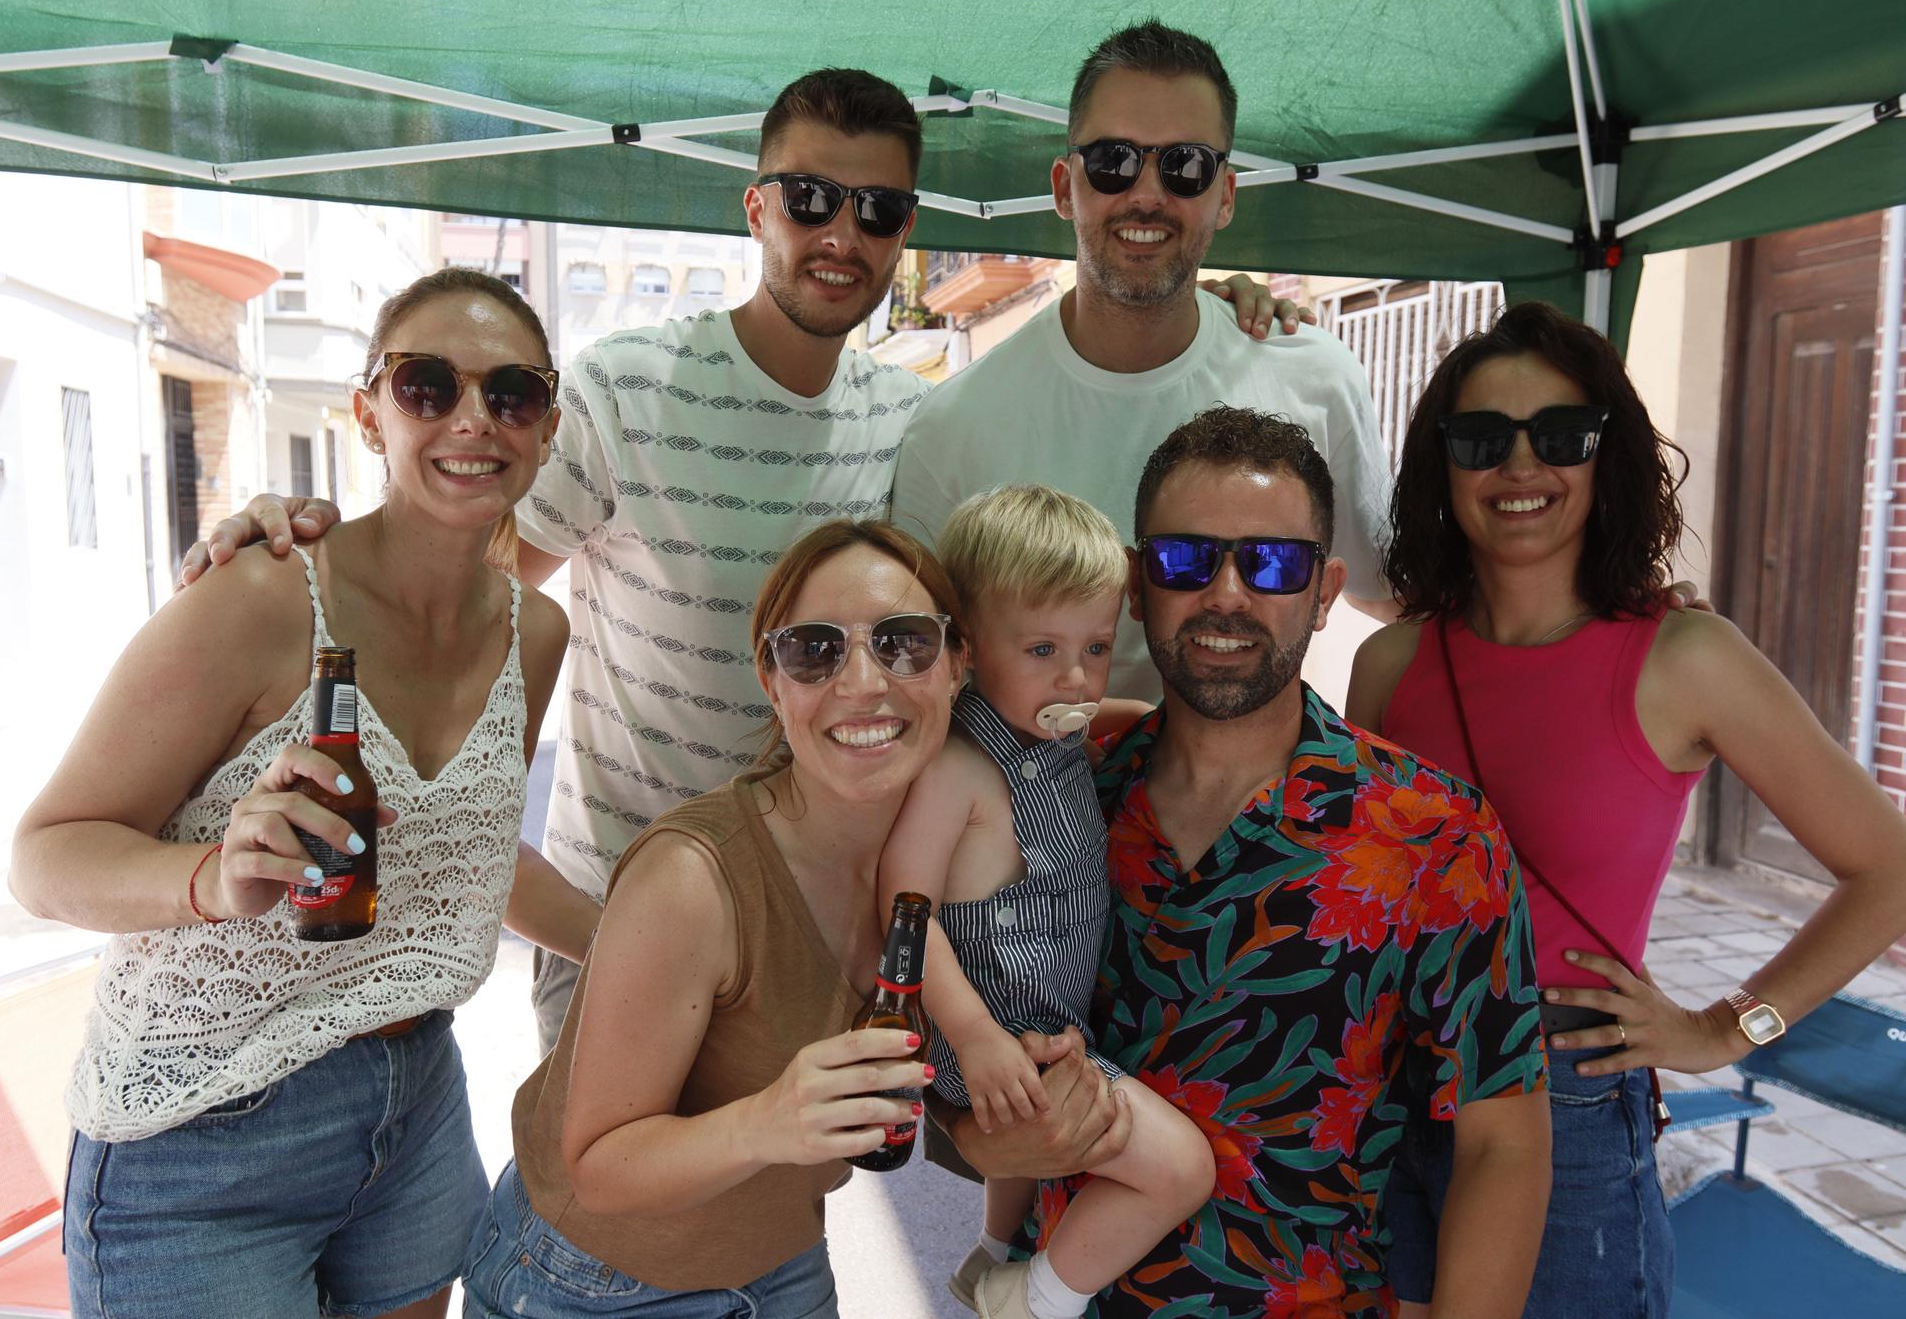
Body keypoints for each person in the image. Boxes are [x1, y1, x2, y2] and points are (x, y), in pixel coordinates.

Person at [177, 66, 1305, 1054]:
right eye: (810, 199)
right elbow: (450, 592)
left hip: (813, 924)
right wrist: (304, 528)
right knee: (607, 1245)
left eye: (876, 209)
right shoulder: (627, 390)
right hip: (617, 917)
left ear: (904, 230)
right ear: (755, 208)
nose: (840, 235)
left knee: (765, 1242)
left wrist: (1223, 303)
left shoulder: (909, 424)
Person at [8, 268, 594, 1318]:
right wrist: (210, 875)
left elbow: (459, 857)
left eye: (510, 394)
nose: (472, 420)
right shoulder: (263, 596)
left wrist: (666, 944)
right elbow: (45, 852)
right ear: (368, 411)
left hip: (414, 1105)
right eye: (427, 385)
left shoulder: (533, 634)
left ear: (547, 427)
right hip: (202, 1139)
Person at [1343, 301, 1906, 1319]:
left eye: (1558, 435)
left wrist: (1729, 1028)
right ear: (1442, 464)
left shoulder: (1684, 655)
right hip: (1393, 1092)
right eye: (1480, 439)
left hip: (1567, 1100)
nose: (1519, 467)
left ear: (1608, 457)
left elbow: (1889, 868)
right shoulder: (1389, 664)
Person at [944, 407, 1553, 1317]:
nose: (1227, 592)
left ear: (1323, 590)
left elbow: (1502, 1141)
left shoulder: (1435, 835)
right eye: (1188, 560)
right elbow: (949, 1025)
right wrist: (979, 1142)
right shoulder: (1058, 795)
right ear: (1139, 586)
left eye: (1272, 562)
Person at [459, 519, 960, 1317]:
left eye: (904, 642)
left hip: (780, 1252)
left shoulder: (933, 845)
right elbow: (598, 1163)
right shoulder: (694, 878)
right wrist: (772, 1118)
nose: (864, 680)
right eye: (815, 650)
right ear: (773, 679)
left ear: (956, 664)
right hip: (593, 1285)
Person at [891, 19, 1399, 706]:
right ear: (1065, 186)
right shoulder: (954, 425)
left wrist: (1367, 762)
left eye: (1185, 165)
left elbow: (1397, 602)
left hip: (1250, 808)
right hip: (1024, 810)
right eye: (1113, 161)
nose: (1147, 194)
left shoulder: (1316, 377)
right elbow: (912, 665)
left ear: (1225, 194)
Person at [875, 485, 1213, 1319]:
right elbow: (901, 906)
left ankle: (992, 1250)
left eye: (1096, 647)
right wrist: (973, 1033)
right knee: (1182, 1167)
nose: (1075, 676)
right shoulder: (961, 770)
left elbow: (1114, 716)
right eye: (1041, 649)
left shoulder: (1055, 732)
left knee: (1030, 1167)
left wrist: (1170, 725)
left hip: (1036, 1014)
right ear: (966, 652)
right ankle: (1034, 1297)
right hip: (992, 1037)